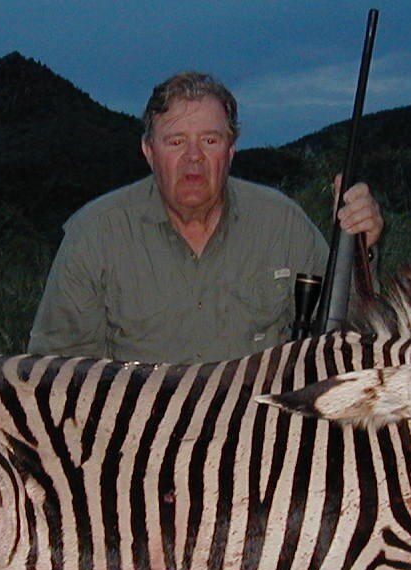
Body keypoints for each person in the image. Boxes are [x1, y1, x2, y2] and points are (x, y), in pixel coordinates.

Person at [27, 71, 383, 364]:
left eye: (210, 141)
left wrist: (361, 250)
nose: (193, 157)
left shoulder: (283, 224)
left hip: (256, 436)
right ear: (149, 151)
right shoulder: (94, 235)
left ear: (231, 151)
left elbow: (353, 334)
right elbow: (56, 371)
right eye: (176, 141)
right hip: (138, 442)